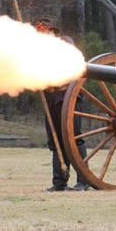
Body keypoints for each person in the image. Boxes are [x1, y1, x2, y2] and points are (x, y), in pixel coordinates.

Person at [35, 20, 88, 191]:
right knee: (55, 140)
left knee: (73, 138)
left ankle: (83, 181)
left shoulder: (65, 44)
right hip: (51, 97)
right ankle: (59, 182)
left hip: (68, 96)